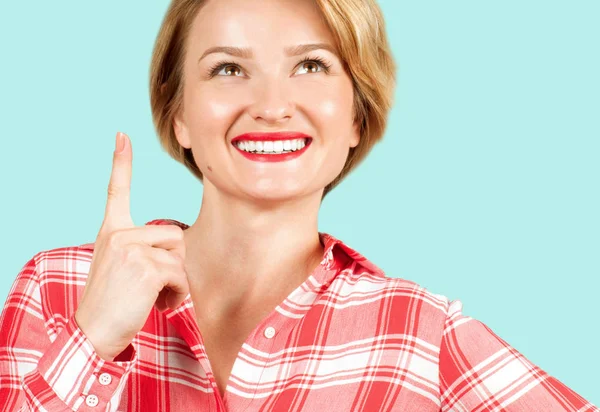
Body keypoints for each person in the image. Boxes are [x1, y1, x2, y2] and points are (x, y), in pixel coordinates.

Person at [0, 0, 597, 411]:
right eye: (228, 69)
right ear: (179, 113)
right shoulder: (62, 285)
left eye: (311, 65)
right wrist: (92, 340)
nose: (272, 105)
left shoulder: (418, 331)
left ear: (357, 115)